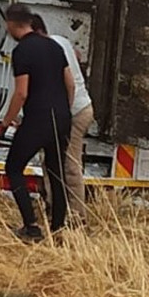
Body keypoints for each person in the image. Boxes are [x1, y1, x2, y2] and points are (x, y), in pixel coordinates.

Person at [0, 3, 74, 242]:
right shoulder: (54, 46)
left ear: (11, 24)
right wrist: (64, 111)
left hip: (37, 119)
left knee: (14, 168)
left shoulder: (22, 51)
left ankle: (31, 226)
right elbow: (70, 84)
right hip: (61, 119)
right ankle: (58, 229)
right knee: (57, 172)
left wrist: (4, 124)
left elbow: (21, 93)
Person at [31, 14, 93, 226]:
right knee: (51, 161)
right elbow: (76, 56)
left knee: (69, 165)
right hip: (77, 108)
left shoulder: (48, 50)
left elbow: (68, 85)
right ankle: (55, 210)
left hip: (74, 112)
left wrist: (61, 115)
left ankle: (77, 217)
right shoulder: (60, 41)